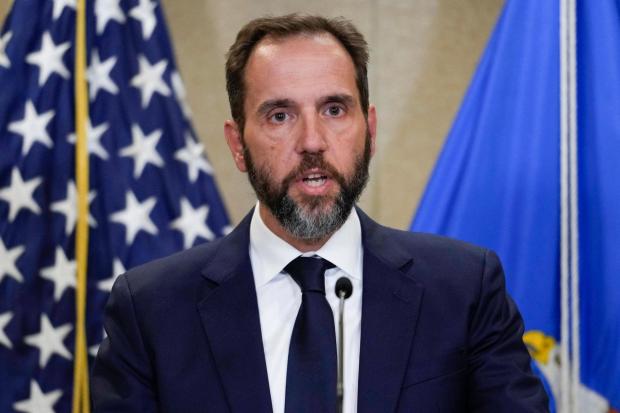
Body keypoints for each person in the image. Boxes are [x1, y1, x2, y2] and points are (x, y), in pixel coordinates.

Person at [91, 14, 549, 413]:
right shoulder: (151, 310)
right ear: (237, 145)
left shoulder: (465, 290)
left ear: (368, 131)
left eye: (334, 109)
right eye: (279, 115)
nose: (312, 141)